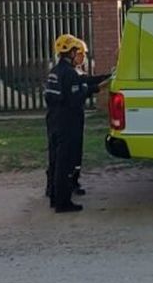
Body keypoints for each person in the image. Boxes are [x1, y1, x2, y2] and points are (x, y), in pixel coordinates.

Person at [43, 34, 108, 213]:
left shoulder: (56, 72)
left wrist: (105, 78)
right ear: (71, 52)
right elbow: (76, 97)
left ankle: (55, 198)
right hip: (67, 122)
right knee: (64, 162)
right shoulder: (69, 73)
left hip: (54, 121)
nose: (81, 56)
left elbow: (83, 81)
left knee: (56, 160)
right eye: (78, 52)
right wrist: (94, 90)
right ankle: (63, 203)